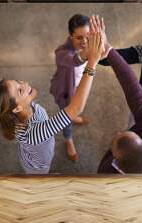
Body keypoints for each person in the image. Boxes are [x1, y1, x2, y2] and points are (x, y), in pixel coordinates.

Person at [0, 30, 106, 174]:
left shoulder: (27, 109)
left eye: (18, 82)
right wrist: (92, 62)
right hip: (38, 168)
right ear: (17, 108)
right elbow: (76, 108)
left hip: (31, 153)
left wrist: (92, 56)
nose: (24, 83)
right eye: (19, 90)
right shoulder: (35, 132)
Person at [87, 15, 142, 174]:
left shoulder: (106, 171)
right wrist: (109, 51)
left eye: (114, 145)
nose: (118, 132)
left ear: (116, 163)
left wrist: (91, 65)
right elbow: (135, 92)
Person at [49, 14, 92, 162]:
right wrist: (92, 53)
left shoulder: (89, 44)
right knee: (66, 119)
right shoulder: (61, 52)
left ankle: (75, 116)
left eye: (88, 36)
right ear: (70, 36)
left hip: (78, 89)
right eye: (79, 38)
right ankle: (69, 140)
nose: (85, 42)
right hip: (65, 93)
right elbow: (76, 60)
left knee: (76, 110)